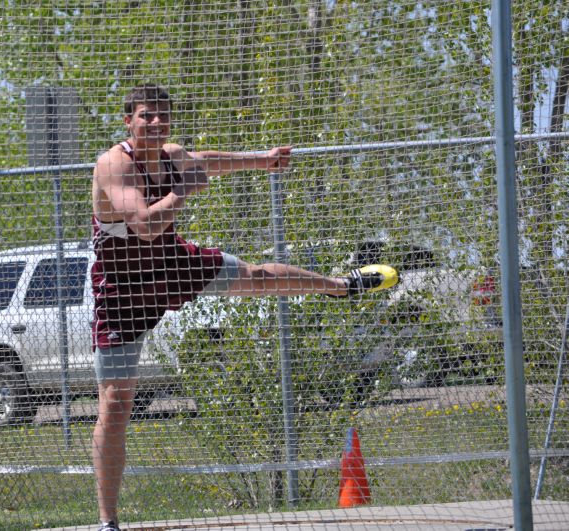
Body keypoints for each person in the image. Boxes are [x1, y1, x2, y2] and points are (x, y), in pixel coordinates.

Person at [90, 84, 396, 531]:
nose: (155, 123)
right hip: (123, 289)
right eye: (145, 116)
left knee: (253, 277)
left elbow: (208, 162)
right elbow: (143, 224)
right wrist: (183, 193)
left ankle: (340, 287)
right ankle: (107, 522)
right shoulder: (114, 164)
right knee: (116, 404)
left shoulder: (173, 157)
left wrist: (263, 159)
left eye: (162, 116)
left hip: (171, 263)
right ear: (128, 122)